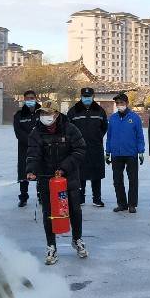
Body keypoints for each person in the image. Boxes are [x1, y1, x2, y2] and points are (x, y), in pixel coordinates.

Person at [25, 99, 88, 265]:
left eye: (48, 113)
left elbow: (80, 150)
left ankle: (77, 239)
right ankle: (51, 245)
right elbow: (33, 154)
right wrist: (31, 170)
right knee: (49, 213)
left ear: (57, 114)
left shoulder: (70, 128)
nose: (45, 116)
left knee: (74, 210)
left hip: (69, 178)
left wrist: (64, 168)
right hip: (47, 179)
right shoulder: (36, 132)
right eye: (42, 114)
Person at [67, 87, 108, 208]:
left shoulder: (100, 111)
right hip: (78, 148)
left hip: (96, 147)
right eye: (84, 96)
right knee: (80, 174)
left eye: (89, 96)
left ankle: (97, 198)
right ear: (80, 97)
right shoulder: (73, 111)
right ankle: (80, 198)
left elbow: (104, 126)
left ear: (93, 96)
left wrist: (98, 137)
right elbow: (68, 128)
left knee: (97, 174)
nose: (87, 98)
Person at [105, 92, 145, 213]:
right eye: (117, 103)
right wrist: (107, 152)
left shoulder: (135, 118)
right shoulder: (113, 118)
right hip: (116, 154)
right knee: (117, 180)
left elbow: (140, 136)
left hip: (131, 154)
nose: (119, 105)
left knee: (133, 180)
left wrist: (141, 151)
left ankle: (132, 204)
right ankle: (122, 203)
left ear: (126, 103)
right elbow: (109, 136)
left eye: (121, 103)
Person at [12, 90, 38, 207]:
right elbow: (18, 132)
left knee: (40, 171)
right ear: (24, 99)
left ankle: (41, 195)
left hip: (40, 148)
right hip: (24, 148)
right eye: (27, 98)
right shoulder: (19, 114)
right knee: (24, 172)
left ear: (36, 98)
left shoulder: (42, 113)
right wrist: (30, 141)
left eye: (32, 98)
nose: (30, 100)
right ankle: (23, 197)